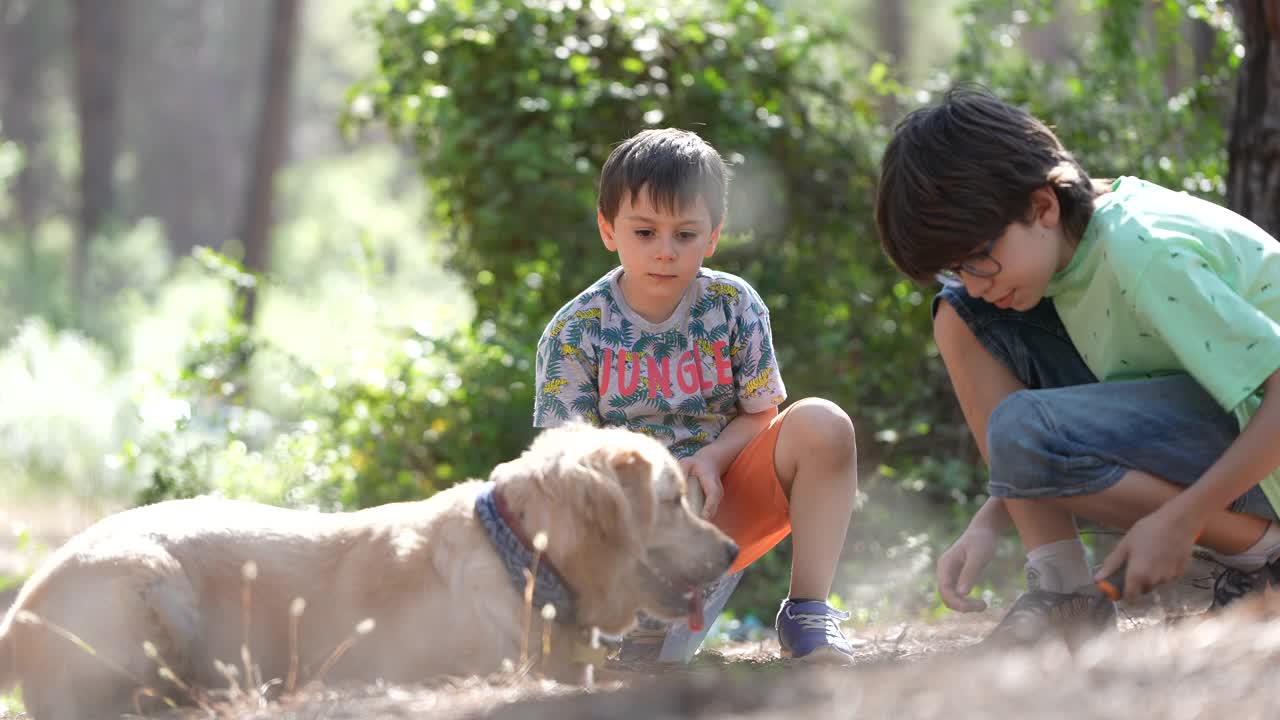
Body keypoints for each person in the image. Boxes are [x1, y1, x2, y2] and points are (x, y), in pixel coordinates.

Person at [874, 85, 1280, 644]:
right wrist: (997, 512)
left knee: (1021, 422)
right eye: (954, 267)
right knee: (961, 315)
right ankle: (1063, 586)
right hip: (1231, 429)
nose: (973, 281)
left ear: (1041, 205)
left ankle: (1263, 558)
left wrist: (1182, 519)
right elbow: (1096, 420)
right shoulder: (1066, 252)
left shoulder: (1143, 251)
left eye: (977, 260)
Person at [533, 127, 859, 662]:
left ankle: (808, 611)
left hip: (720, 506)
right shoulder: (576, 330)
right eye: (645, 233)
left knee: (823, 423)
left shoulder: (733, 306)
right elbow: (565, 461)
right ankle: (623, 620)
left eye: (685, 235)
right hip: (625, 527)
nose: (665, 252)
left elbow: (761, 416)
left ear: (712, 236)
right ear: (608, 229)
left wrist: (711, 456)